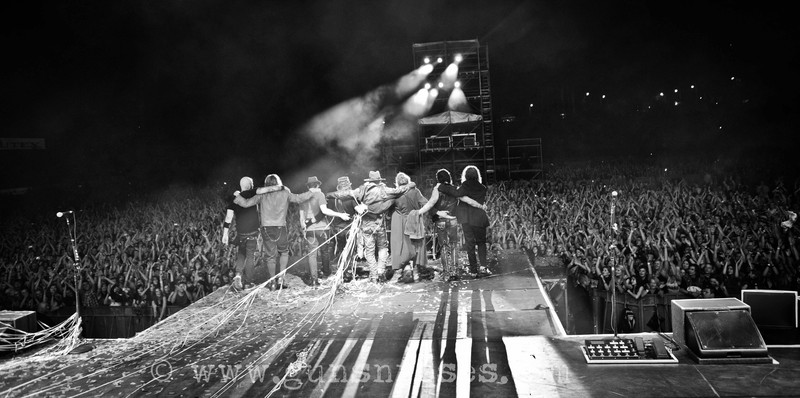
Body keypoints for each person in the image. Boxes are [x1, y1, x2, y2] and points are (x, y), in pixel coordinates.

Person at [327, 170, 416, 284]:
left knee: (369, 251)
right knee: (382, 249)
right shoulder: (384, 189)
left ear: (369, 180)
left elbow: (343, 194)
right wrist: (411, 184)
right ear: (379, 180)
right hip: (379, 224)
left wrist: (328, 195)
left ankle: (373, 276)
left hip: (366, 225)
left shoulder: (361, 190)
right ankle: (381, 273)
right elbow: (400, 190)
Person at [234, 174, 314, 290]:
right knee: (284, 252)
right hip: (281, 227)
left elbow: (245, 204)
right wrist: (312, 191)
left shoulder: (262, 195)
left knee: (270, 256)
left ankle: (272, 282)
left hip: (266, 229)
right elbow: (299, 198)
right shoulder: (285, 192)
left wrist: (237, 196)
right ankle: (281, 278)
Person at [436, 165, 491, 278]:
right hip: (479, 218)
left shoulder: (464, 186)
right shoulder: (483, 188)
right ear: (477, 175)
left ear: (465, 175)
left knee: (470, 244)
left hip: (466, 219)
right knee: (481, 243)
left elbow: (455, 193)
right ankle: (483, 268)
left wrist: (441, 186)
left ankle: (473, 270)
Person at [300, 176, 351, 286]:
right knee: (325, 251)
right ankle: (326, 273)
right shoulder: (320, 194)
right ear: (317, 185)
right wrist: (340, 214)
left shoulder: (303, 197)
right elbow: (324, 210)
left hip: (310, 229)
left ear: (308, 186)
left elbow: (301, 217)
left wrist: (304, 227)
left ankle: (314, 279)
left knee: (312, 255)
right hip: (323, 228)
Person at [222, 176, 261, 291]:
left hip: (241, 233)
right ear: (250, 185)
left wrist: (225, 234)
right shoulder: (254, 195)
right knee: (250, 257)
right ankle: (249, 282)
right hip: (253, 232)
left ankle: (238, 274)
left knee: (241, 253)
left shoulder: (235, 198)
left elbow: (228, 217)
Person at [389, 172, 428, 283]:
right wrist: (418, 212)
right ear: (408, 181)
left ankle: (398, 271)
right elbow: (425, 203)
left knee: (399, 245)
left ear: (397, 182)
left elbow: (386, 207)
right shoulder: (415, 191)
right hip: (413, 220)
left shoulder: (395, 193)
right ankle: (415, 271)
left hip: (398, 221)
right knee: (414, 244)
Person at [328, 176, 359, 280]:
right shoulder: (351, 198)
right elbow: (358, 210)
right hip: (349, 228)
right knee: (350, 250)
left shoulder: (333, 199)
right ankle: (348, 272)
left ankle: (342, 271)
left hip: (337, 229)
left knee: (341, 250)